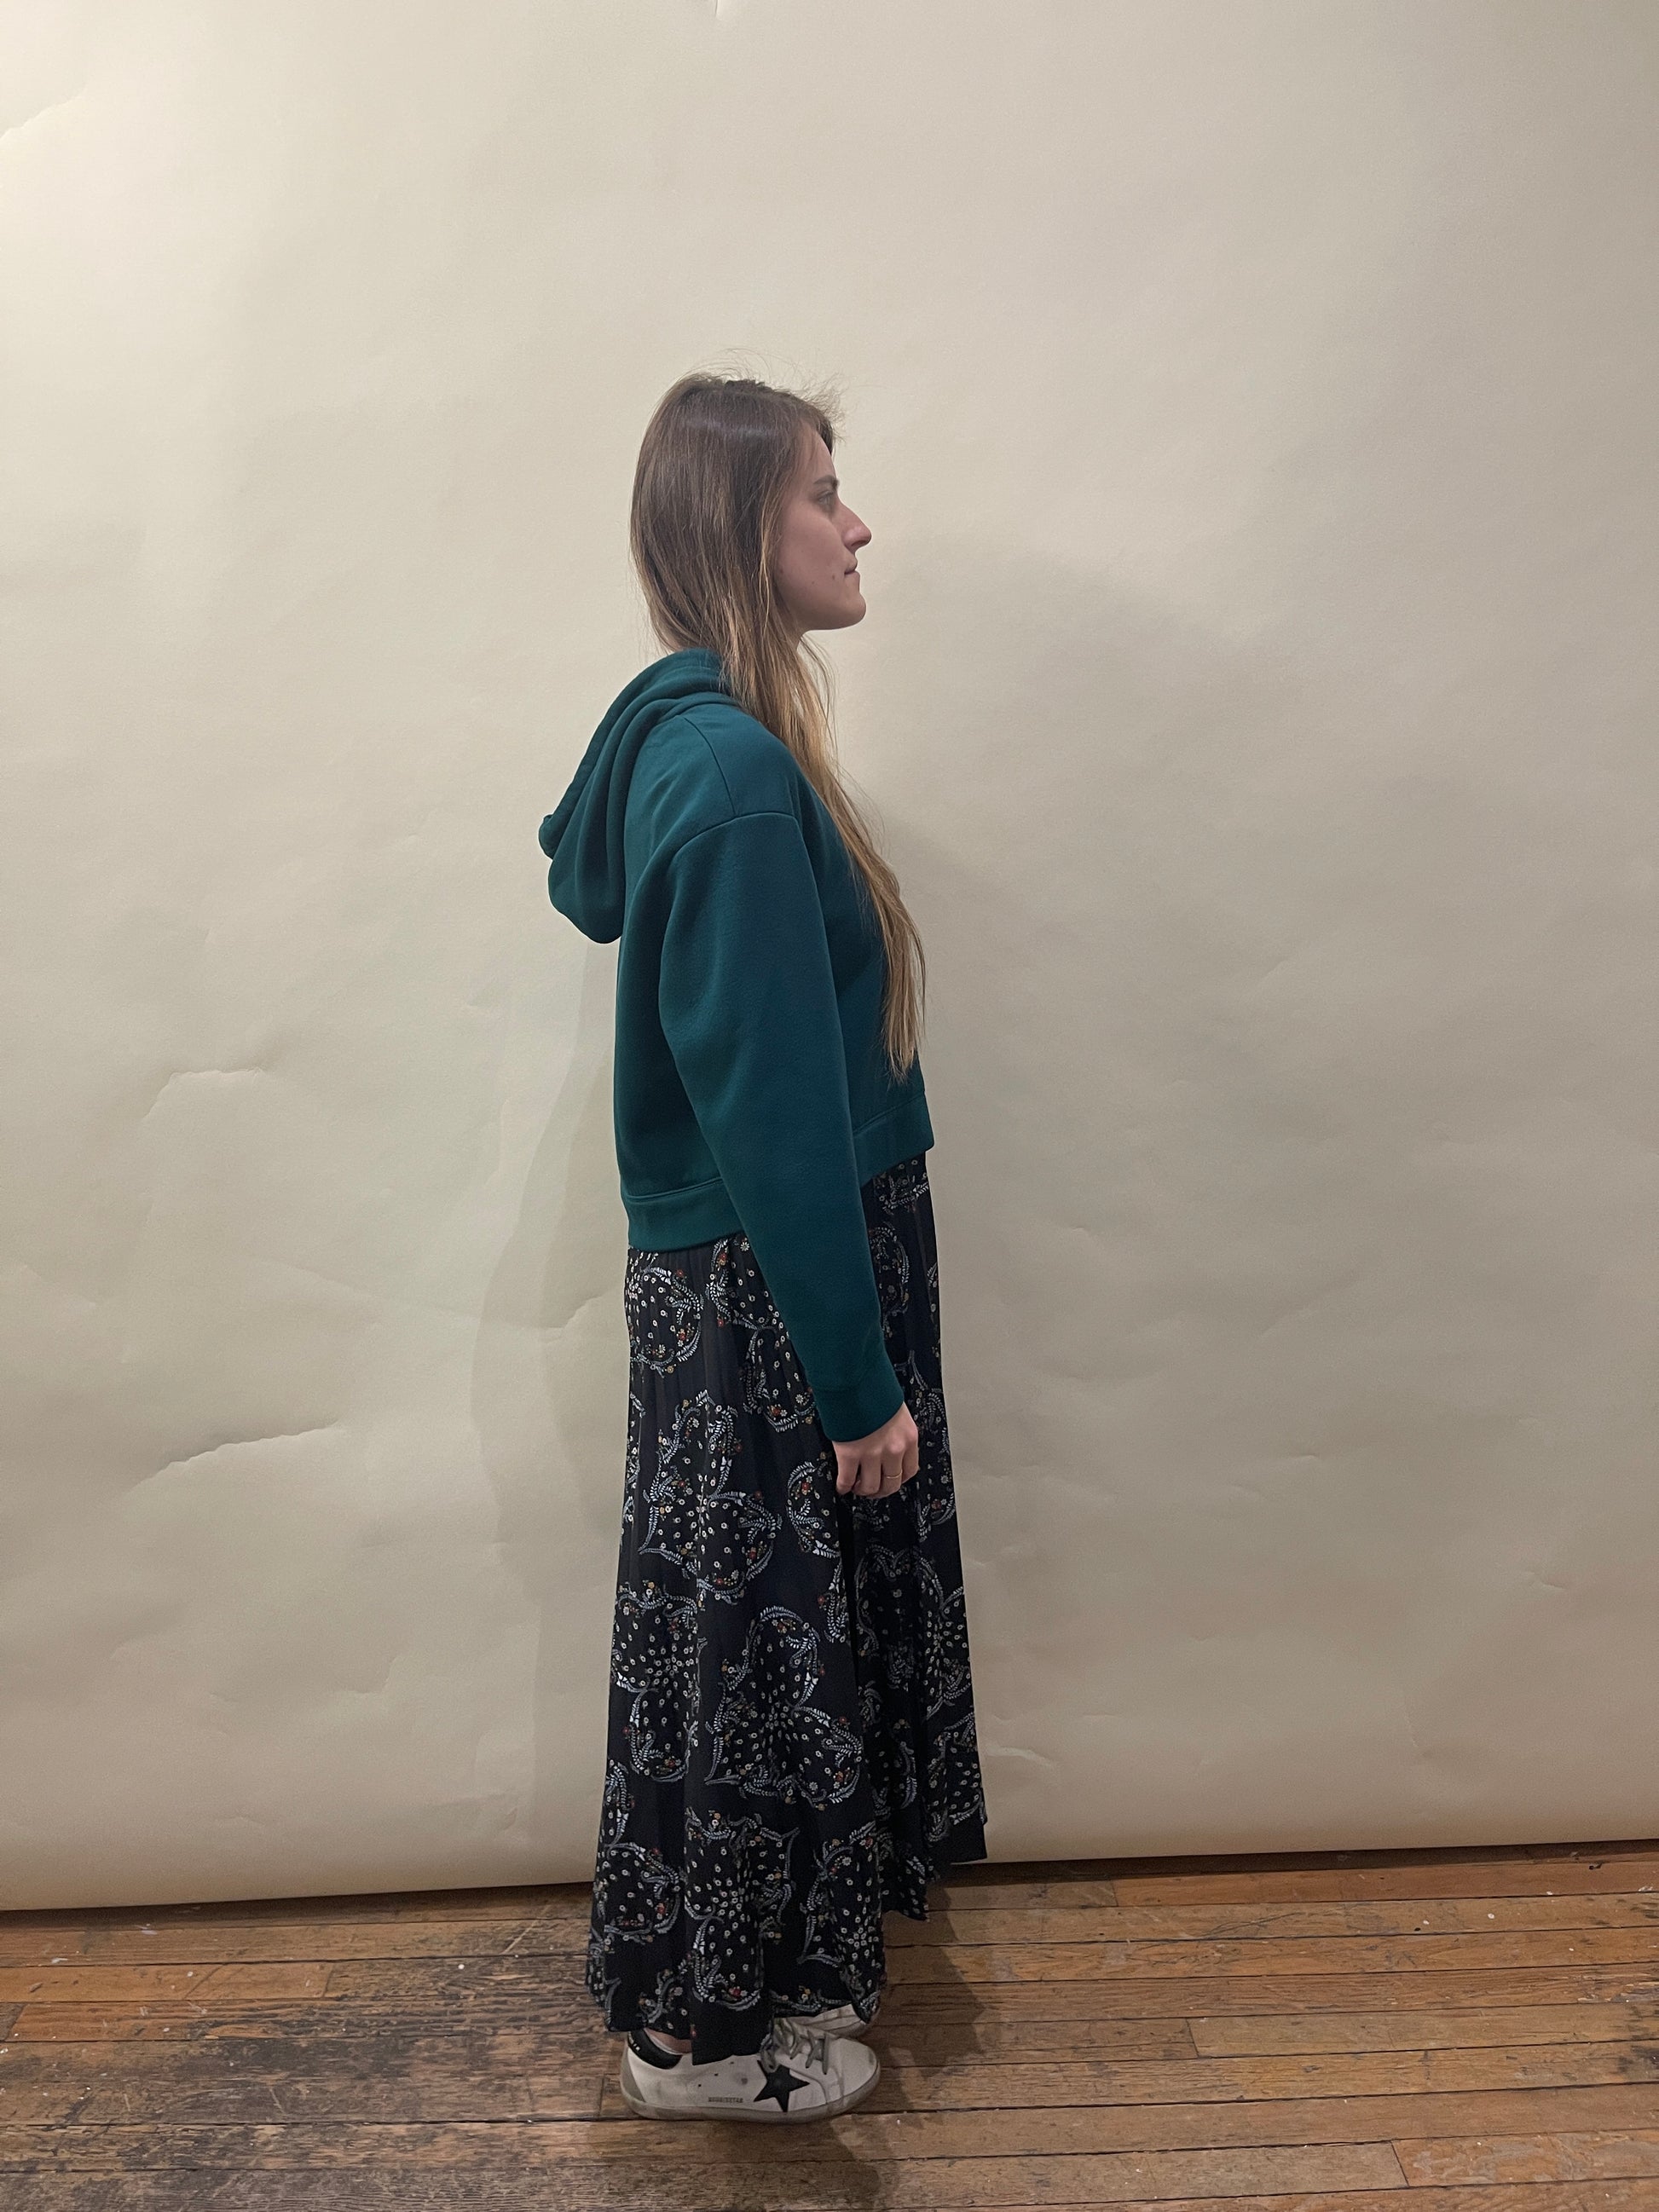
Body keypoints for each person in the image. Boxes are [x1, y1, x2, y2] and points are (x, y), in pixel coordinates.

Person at [537, 370, 989, 2123]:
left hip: (749, 1278)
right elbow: (769, 1106)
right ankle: (697, 2042)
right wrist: (856, 1377)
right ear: (743, 526)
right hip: (765, 1283)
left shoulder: (717, 748)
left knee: (750, 1647)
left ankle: (746, 1986)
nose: (856, 524)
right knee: (746, 1657)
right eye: (819, 492)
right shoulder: (726, 774)